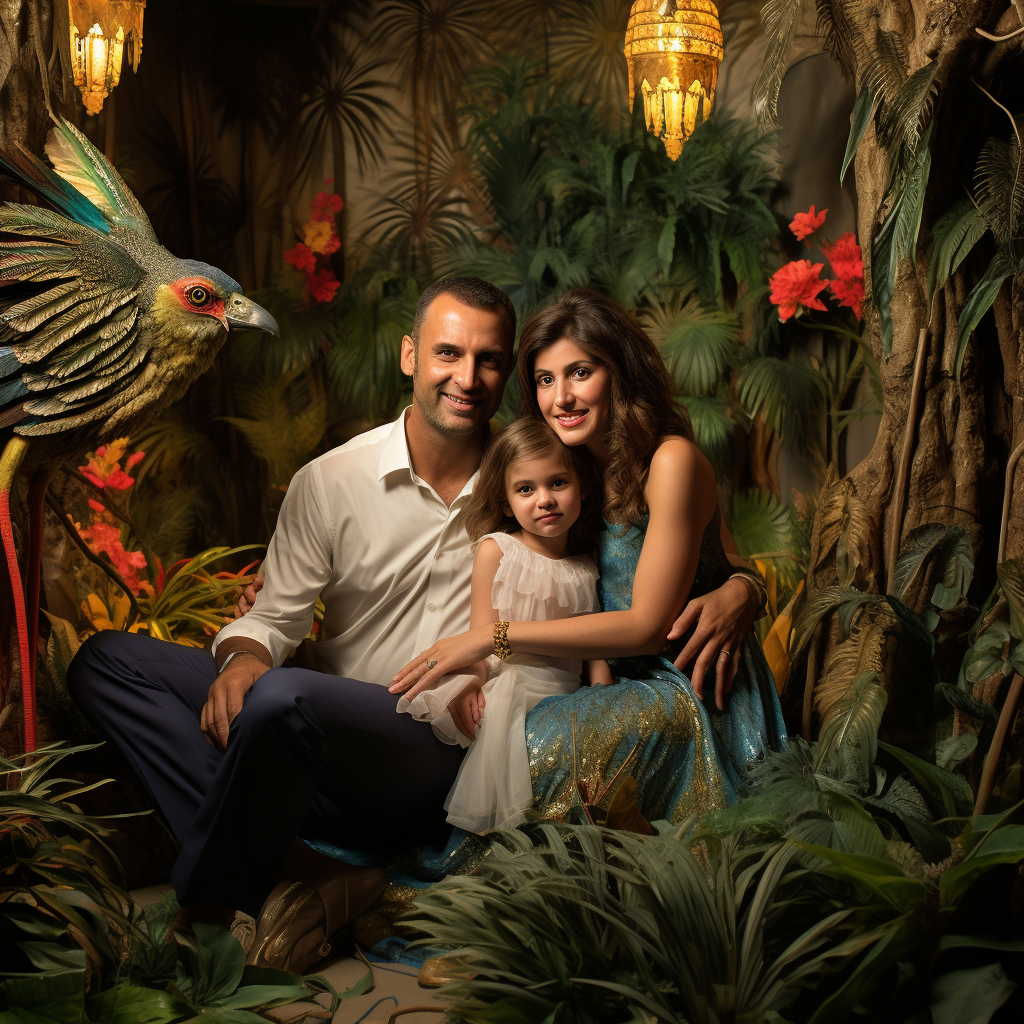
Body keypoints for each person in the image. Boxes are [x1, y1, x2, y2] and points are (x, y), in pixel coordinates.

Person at [70, 277, 761, 974]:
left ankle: (206, 916)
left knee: (283, 699)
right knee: (109, 663)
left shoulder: (538, 472)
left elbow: (681, 552)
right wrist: (241, 655)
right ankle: (291, 864)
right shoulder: (332, 481)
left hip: (434, 733)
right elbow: (271, 618)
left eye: (489, 360)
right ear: (409, 356)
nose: (467, 378)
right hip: (327, 724)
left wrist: (744, 586)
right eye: (448, 354)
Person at [392, 289, 786, 824]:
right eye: (546, 380)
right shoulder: (566, 473)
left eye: (579, 373)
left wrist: (491, 636)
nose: (562, 398)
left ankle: (400, 878)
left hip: (687, 687)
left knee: (527, 754)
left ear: (619, 373)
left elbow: (660, 619)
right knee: (493, 746)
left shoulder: (669, 459)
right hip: (612, 683)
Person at [398, 418, 608, 833]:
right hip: (513, 692)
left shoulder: (587, 565)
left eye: (558, 483)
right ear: (507, 501)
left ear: (581, 485)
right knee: (515, 814)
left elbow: (594, 647)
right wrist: (469, 683)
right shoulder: (497, 551)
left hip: (569, 697)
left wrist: (603, 701)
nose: (545, 499)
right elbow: (481, 641)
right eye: (526, 489)